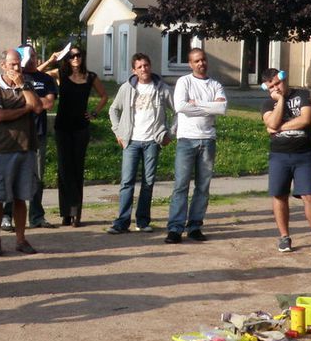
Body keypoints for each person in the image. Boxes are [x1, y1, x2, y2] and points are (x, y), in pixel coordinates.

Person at [260, 68, 311, 254]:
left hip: (304, 155)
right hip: (279, 156)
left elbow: (305, 119)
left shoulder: (302, 95)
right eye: (271, 86)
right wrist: (280, 101)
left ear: (284, 78)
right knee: (279, 195)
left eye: (278, 83)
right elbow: (270, 123)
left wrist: (278, 128)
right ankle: (284, 237)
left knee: (310, 196)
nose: (276, 88)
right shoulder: (268, 103)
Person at [39, 45, 107, 227]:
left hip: (81, 128)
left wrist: (94, 113)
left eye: (78, 55)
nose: (75, 58)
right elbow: (36, 74)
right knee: (64, 169)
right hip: (62, 127)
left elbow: (104, 96)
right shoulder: (60, 74)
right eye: (71, 56)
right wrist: (50, 60)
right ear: (66, 59)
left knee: (77, 168)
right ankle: (65, 213)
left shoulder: (90, 77)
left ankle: (76, 213)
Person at [106, 53, 174, 235]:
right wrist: (118, 132)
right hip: (131, 142)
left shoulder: (162, 88)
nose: (144, 69)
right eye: (140, 67)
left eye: (146, 65)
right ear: (134, 70)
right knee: (127, 182)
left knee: (148, 182)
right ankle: (121, 222)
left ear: (150, 66)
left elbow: (178, 111)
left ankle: (143, 221)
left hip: (152, 141)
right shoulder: (127, 88)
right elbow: (113, 109)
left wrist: (170, 134)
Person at [166, 48, 227, 244]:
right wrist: (209, 106)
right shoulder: (184, 82)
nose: (201, 63)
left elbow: (222, 108)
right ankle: (175, 228)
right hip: (186, 139)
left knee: (203, 186)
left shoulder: (215, 84)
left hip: (208, 140)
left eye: (203, 60)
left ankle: (195, 226)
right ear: (190, 64)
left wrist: (197, 104)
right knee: (181, 186)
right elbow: (181, 106)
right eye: (196, 61)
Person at [0, 49, 43, 255]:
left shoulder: (26, 84)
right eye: (12, 64)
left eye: (19, 63)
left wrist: (22, 85)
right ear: (3, 66)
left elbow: (37, 107)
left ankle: (21, 239)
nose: (17, 68)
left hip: (27, 147)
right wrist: (24, 109)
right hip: (3, 149)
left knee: (21, 196)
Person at [1, 45, 58, 231]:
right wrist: (33, 102)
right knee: (12, 176)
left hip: (37, 134)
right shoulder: (13, 79)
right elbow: (12, 103)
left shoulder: (46, 79)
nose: (33, 59)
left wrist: (31, 101)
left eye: (34, 55)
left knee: (37, 176)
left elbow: (47, 103)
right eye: (29, 56)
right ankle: (7, 216)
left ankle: (37, 216)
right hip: (16, 136)